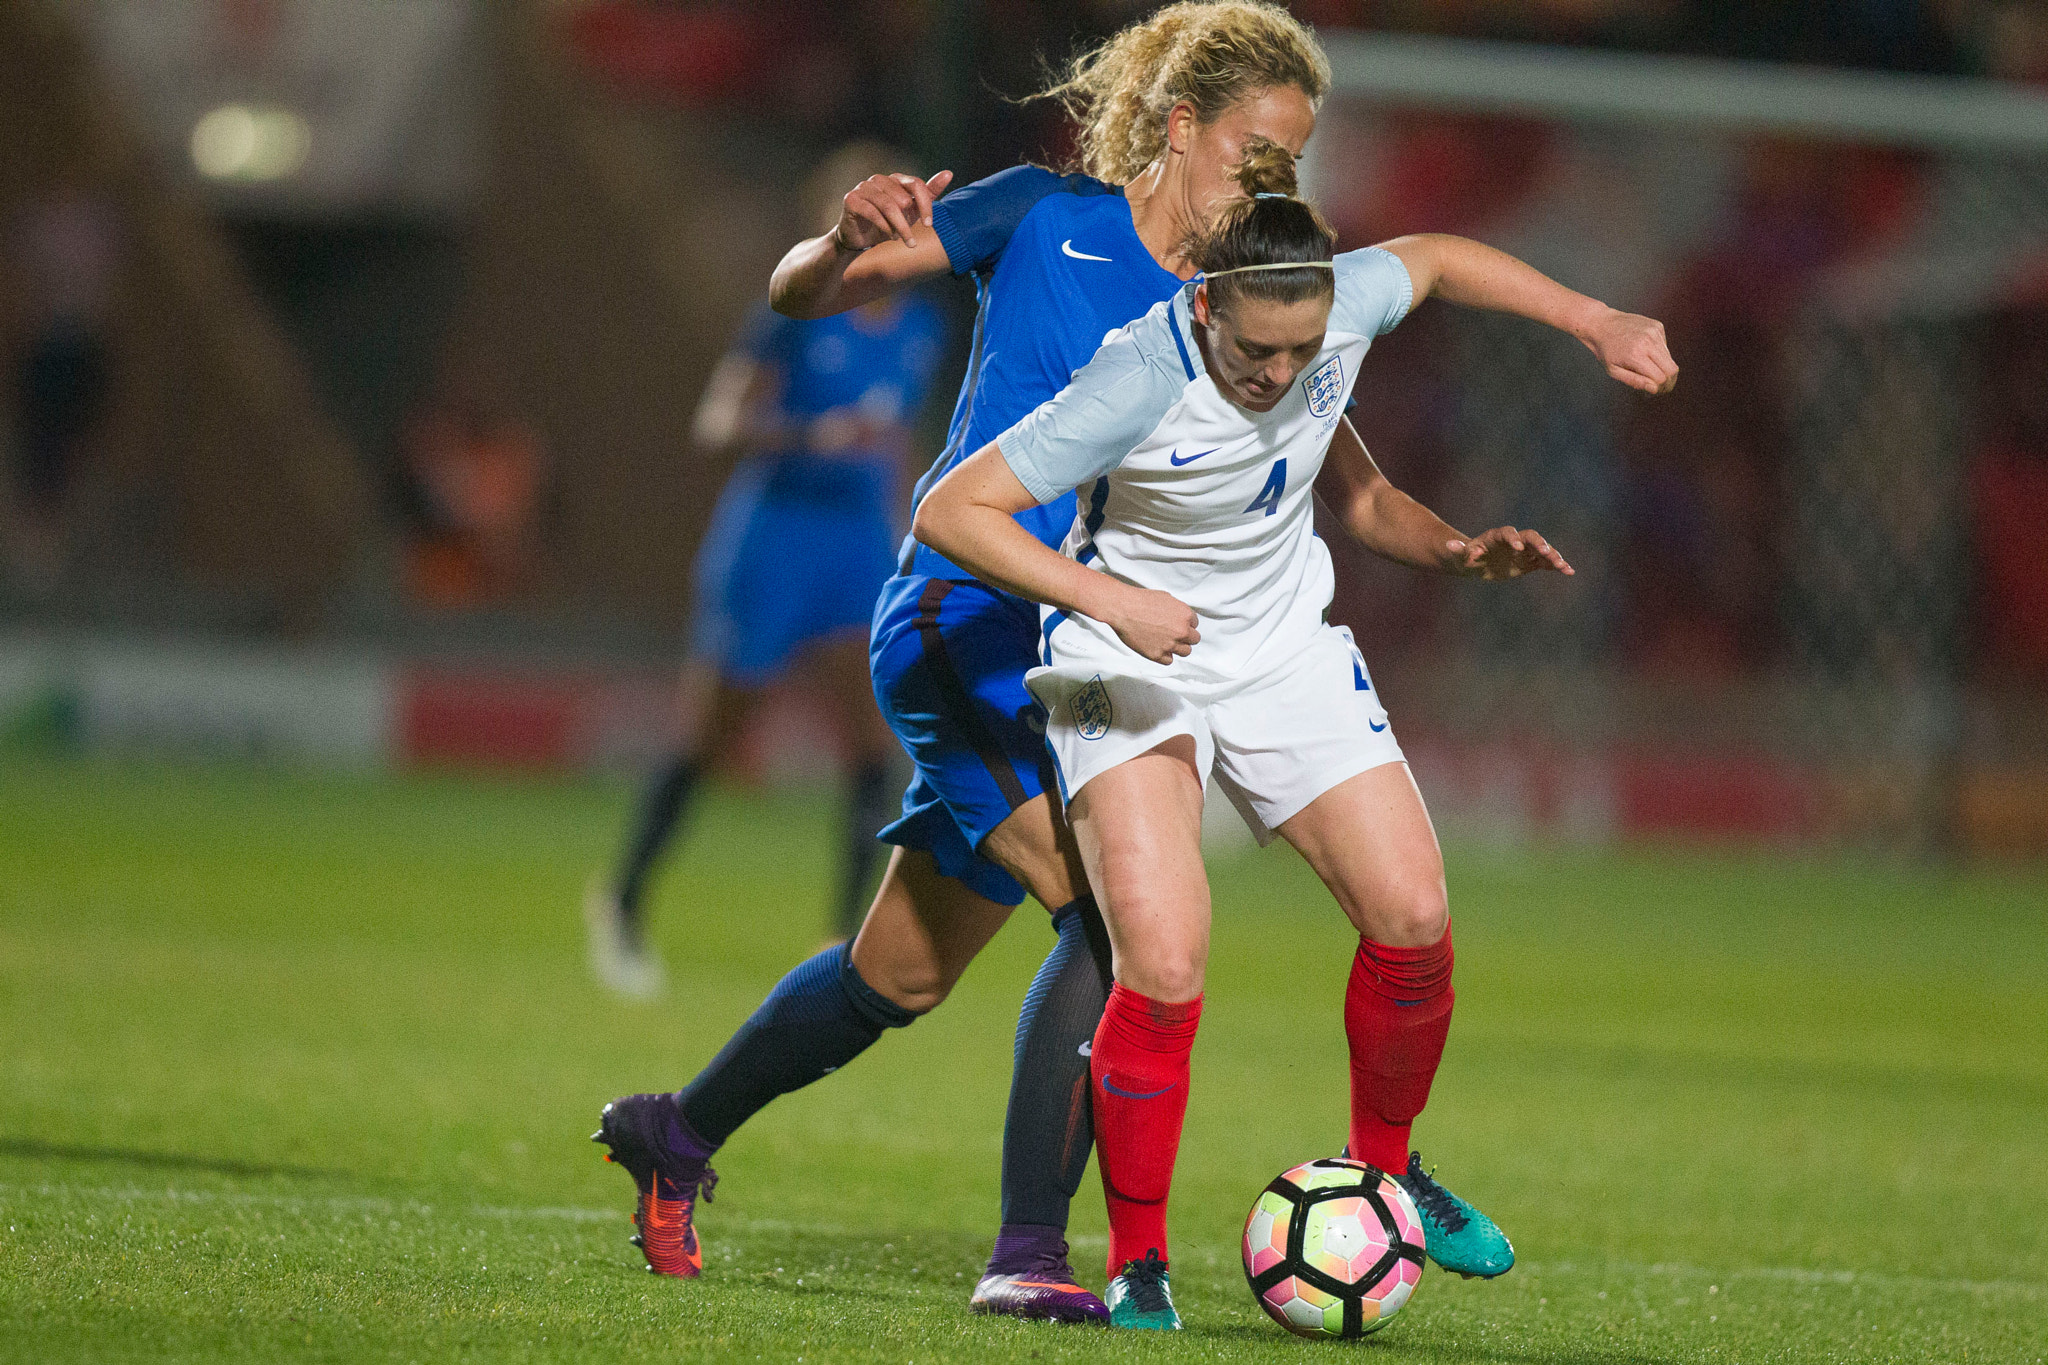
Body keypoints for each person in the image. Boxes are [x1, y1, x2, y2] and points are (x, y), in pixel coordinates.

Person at [591, 0, 1676, 1317]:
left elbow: (1353, 483)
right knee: (1116, 926)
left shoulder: (1256, 299)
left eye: (1296, 154)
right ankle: (1032, 1258)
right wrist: (838, 238)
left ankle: (676, 1133)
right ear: (1182, 126)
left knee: (901, 972)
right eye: (1258, 147)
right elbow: (813, 293)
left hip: (1093, 642)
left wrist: (1453, 543)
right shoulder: (1046, 220)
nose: (1278, 175)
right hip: (971, 622)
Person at [910, 144, 1674, 1329]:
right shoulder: (1132, 374)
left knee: (1414, 915)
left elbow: (1434, 260)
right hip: (1109, 670)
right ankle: (1137, 1261)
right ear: (1204, 304)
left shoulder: (1335, 302)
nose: (1277, 372)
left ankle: (1386, 1174)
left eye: (1299, 350)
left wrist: (1591, 321)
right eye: (1252, 350)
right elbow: (949, 509)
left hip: (1281, 653)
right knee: (1160, 957)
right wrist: (1109, 601)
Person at [583, 141, 945, 995]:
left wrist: (909, 533)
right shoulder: (793, 311)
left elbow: (896, 445)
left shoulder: (922, 327)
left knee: (871, 737)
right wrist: (806, 437)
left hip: (857, 542)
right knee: (714, 733)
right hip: (774, 534)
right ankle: (623, 899)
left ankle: (843, 945)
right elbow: (716, 424)